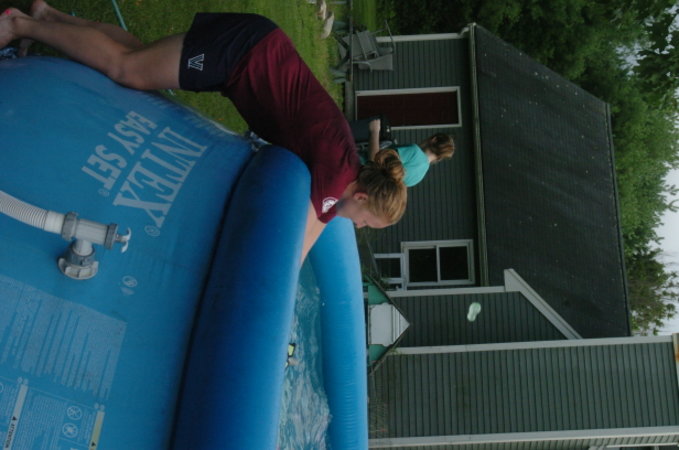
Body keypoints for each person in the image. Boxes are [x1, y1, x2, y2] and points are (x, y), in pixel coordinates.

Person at [0, 3, 407, 262]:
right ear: (362, 197)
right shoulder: (333, 180)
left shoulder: (342, 170)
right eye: (366, 222)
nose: (358, 227)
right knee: (127, 69)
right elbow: (289, 254)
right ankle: (18, 25)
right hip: (241, 54)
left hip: (252, 51)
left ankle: (46, 16)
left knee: (140, 58)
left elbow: (311, 235)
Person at [366, 118, 455, 187]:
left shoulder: (414, 151)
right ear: (440, 156)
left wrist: (374, 131)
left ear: (434, 139)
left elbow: (374, 160)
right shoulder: (421, 174)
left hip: (361, 167)